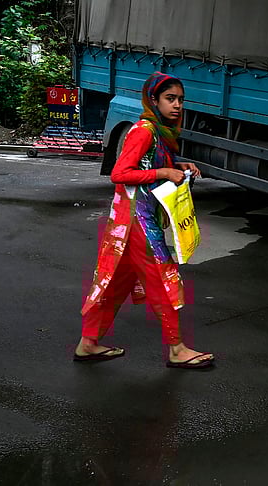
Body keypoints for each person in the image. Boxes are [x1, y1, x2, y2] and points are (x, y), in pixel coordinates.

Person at [74, 72, 214, 369]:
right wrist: (164, 173)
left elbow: (149, 162)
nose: (177, 106)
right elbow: (119, 174)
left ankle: (88, 343)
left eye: (180, 100)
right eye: (170, 99)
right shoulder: (144, 130)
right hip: (138, 221)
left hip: (133, 220)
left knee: (116, 282)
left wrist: (177, 165)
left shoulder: (160, 132)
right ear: (153, 100)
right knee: (164, 279)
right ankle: (176, 348)